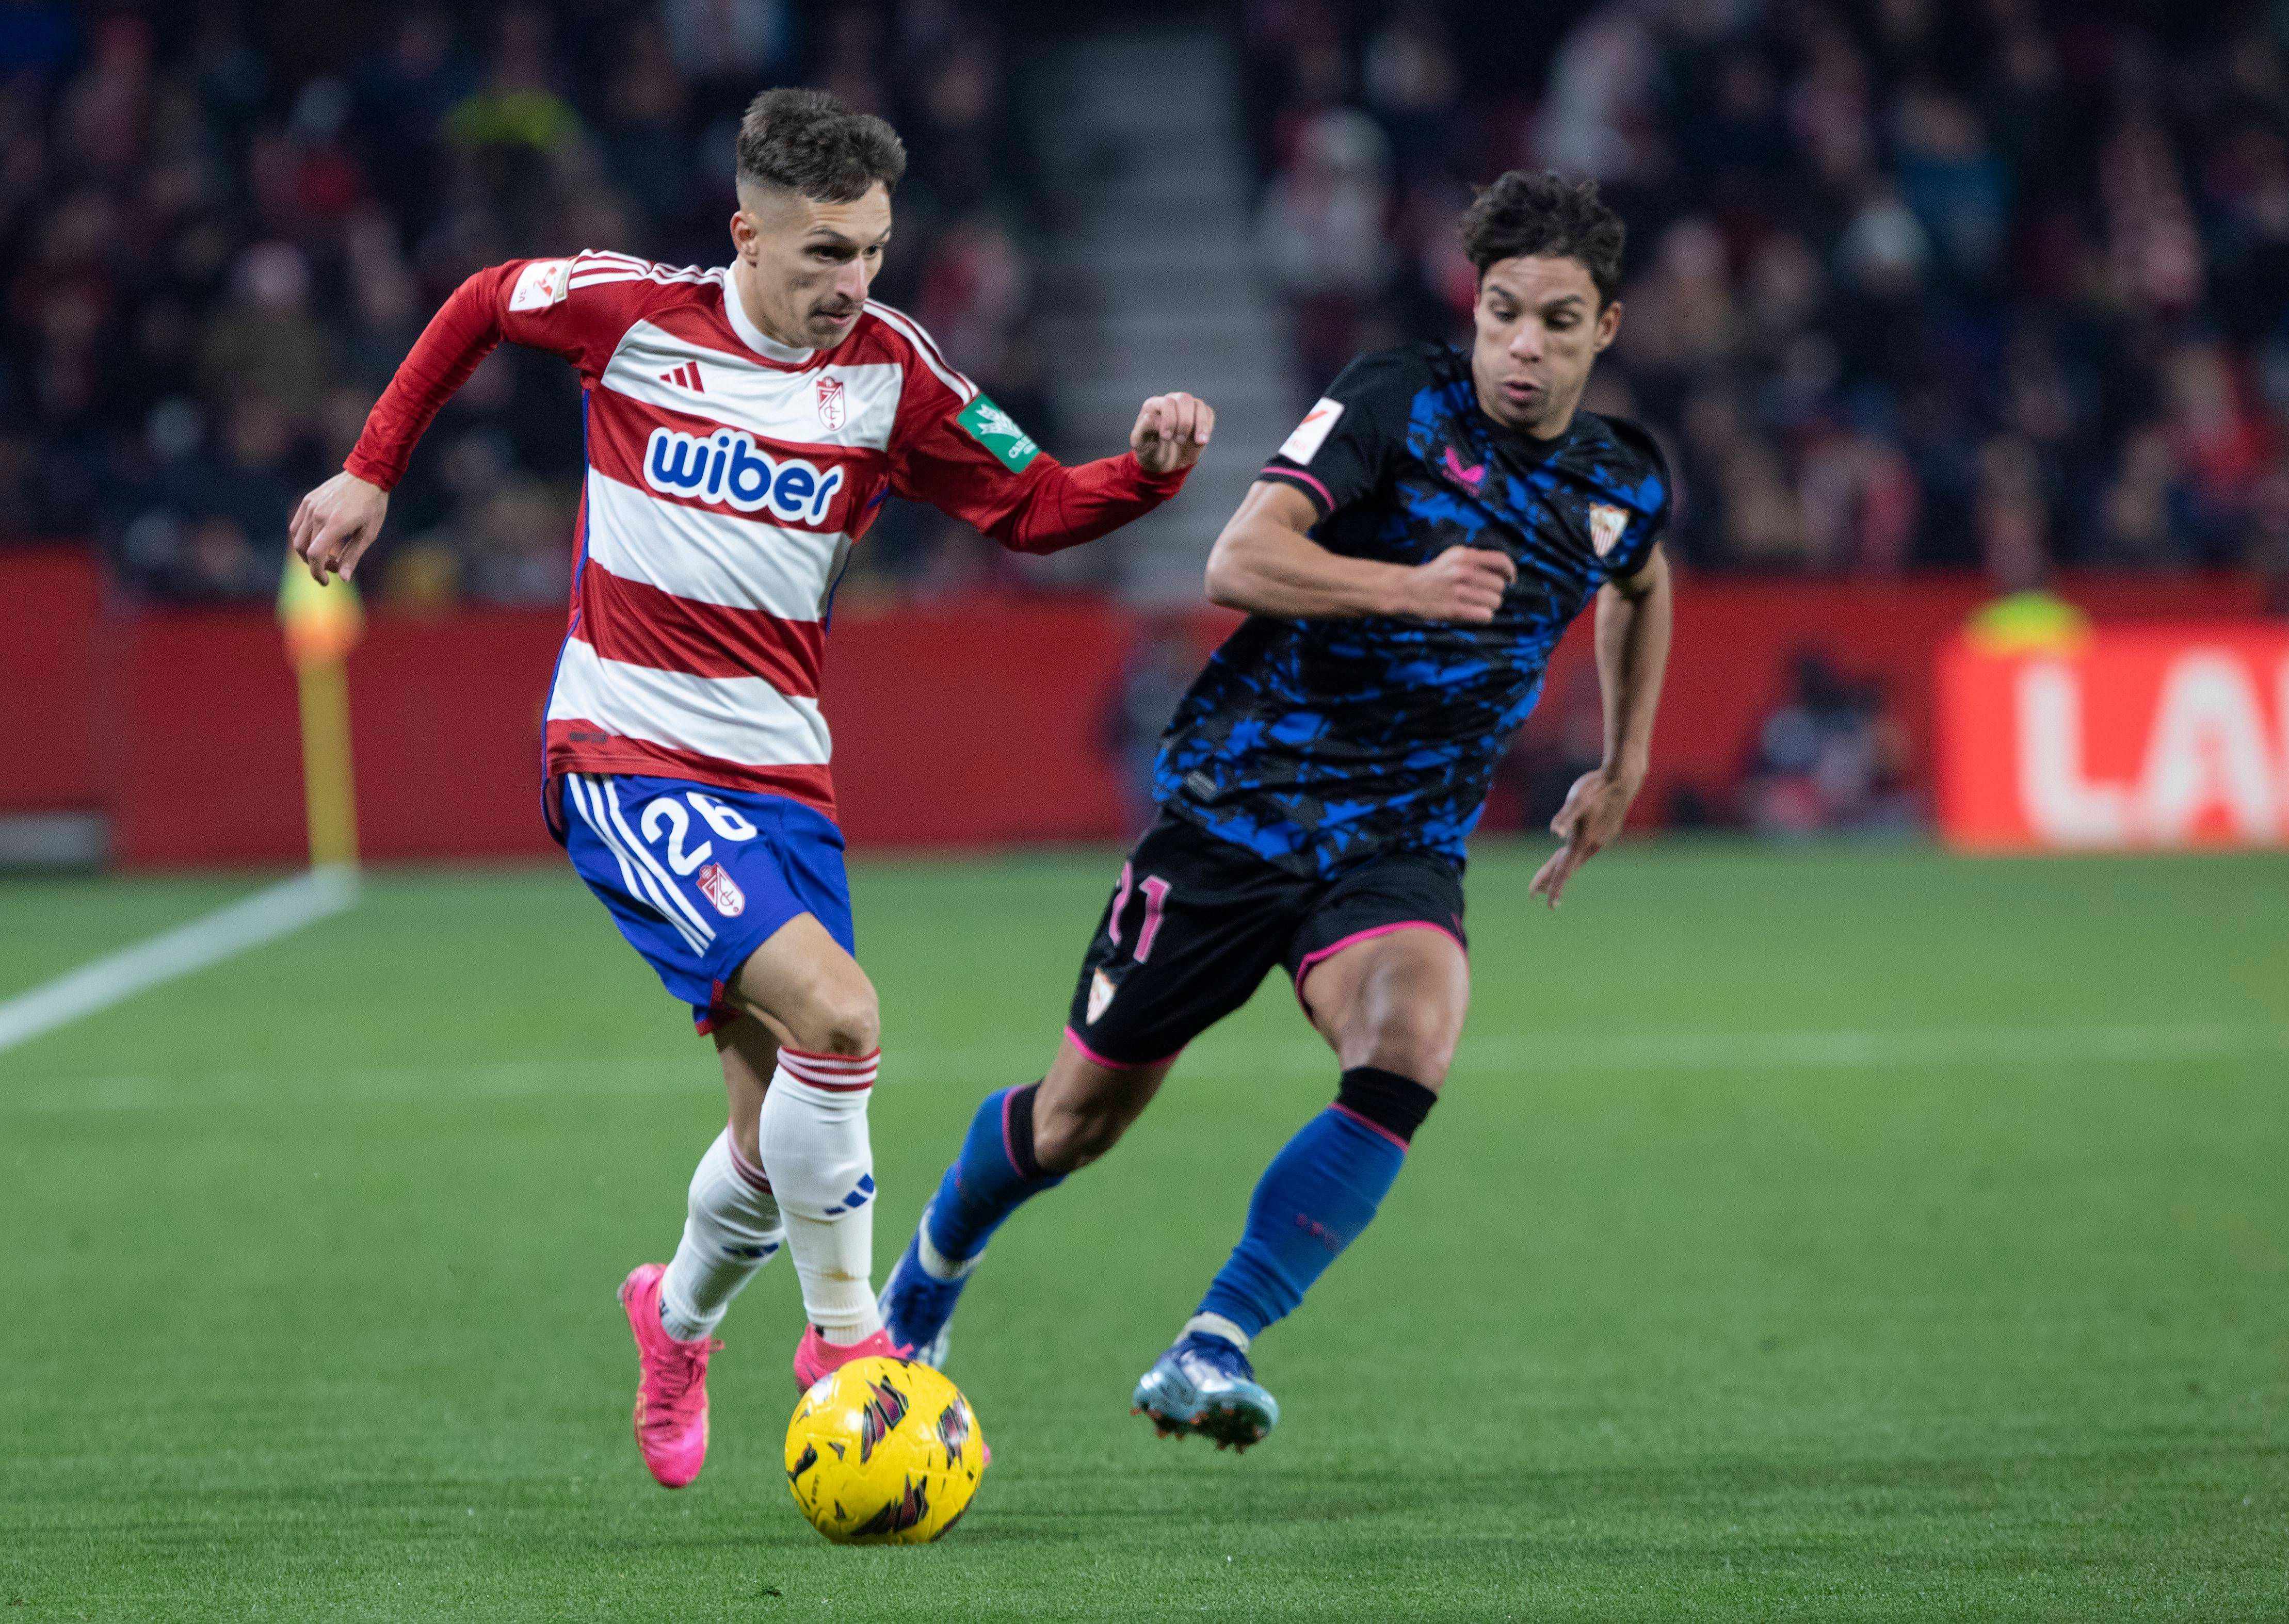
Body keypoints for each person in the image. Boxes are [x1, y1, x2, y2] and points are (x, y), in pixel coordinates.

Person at [286, 89, 1211, 1487]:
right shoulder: (631, 314)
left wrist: (1142, 478)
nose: (851, 284)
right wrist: (370, 471)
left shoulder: (895, 372)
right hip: (622, 748)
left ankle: (676, 1315)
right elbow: (480, 300)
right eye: (823, 252)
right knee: (842, 1019)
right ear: (747, 232)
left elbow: (1029, 506)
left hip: (781, 775)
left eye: (872, 253)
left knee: (774, 1133)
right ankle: (851, 1350)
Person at [876, 170, 1672, 1448]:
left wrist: (1623, 760)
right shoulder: (1393, 403)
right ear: (1474, 307)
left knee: (1413, 1033)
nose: (1523, 346)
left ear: (1607, 329)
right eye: (1505, 312)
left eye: (1559, 322)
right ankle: (924, 1275)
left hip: (1396, 842)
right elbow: (1236, 557)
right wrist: (1407, 588)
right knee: (1078, 1120)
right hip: (1236, 810)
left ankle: (1215, 1337)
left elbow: (1639, 580)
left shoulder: (1616, 477)